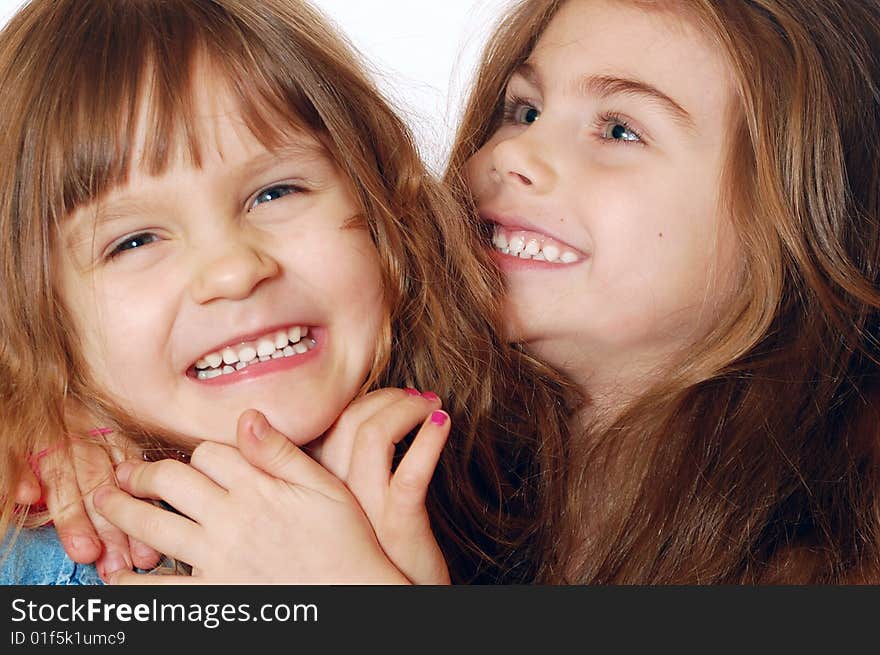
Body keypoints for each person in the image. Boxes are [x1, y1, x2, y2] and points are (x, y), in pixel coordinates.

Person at [0, 0, 573, 585]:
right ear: (38, 318)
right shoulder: (53, 571)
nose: (233, 270)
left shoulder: (528, 479)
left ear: (380, 208)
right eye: (134, 241)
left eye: (275, 194)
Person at [442, 0, 880, 582]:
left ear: (799, 218)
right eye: (524, 110)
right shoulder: (420, 480)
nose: (510, 153)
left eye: (620, 130)